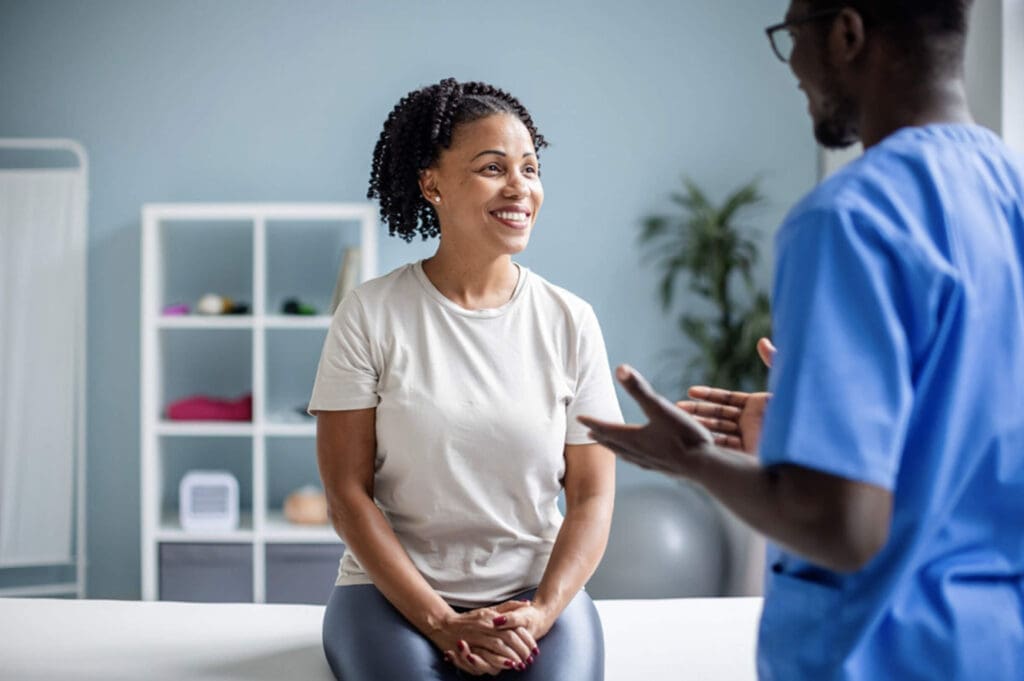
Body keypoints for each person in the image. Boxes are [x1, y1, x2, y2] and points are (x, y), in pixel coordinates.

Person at [579, 1, 1024, 679]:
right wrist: (818, 425)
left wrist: (695, 458)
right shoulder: (1009, 192)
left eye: (793, 34)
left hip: (882, 657)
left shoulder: (850, 218)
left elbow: (844, 530)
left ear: (848, 32)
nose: (792, 65)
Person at [309, 78, 621, 680]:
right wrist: (440, 623)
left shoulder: (570, 321)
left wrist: (541, 611)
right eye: (492, 168)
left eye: (529, 168)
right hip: (390, 599)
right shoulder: (370, 314)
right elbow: (347, 496)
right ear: (433, 184)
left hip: (534, 596)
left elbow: (593, 495)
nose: (520, 187)